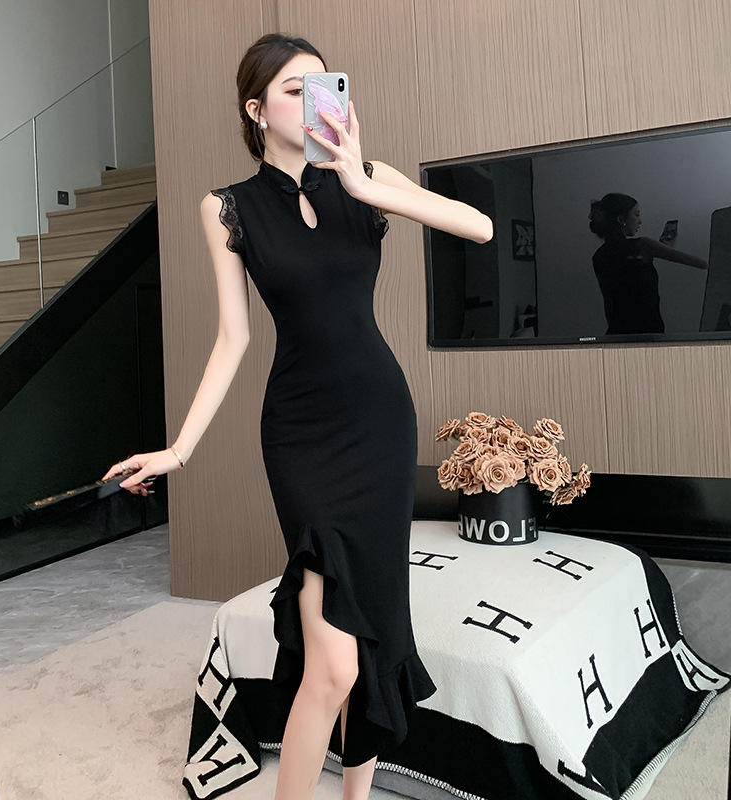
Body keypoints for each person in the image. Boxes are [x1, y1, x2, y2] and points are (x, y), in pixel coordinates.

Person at [102, 33, 493, 800]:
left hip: (379, 421)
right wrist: (179, 450)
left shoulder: (369, 179)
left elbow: (476, 226)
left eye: (327, 85)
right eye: (296, 89)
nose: (320, 101)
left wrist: (363, 182)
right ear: (256, 110)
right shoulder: (227, 208)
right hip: (301, 432)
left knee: (372, 630)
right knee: (332, 661)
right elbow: (234, 338)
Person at [589, 193, 708, 334]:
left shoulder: (599, 256)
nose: (639, 221)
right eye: (636, 215)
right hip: (648, 332)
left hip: (618, 333)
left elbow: (608, 303)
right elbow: (699, 263)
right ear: (621, 219)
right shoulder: (643, 245)